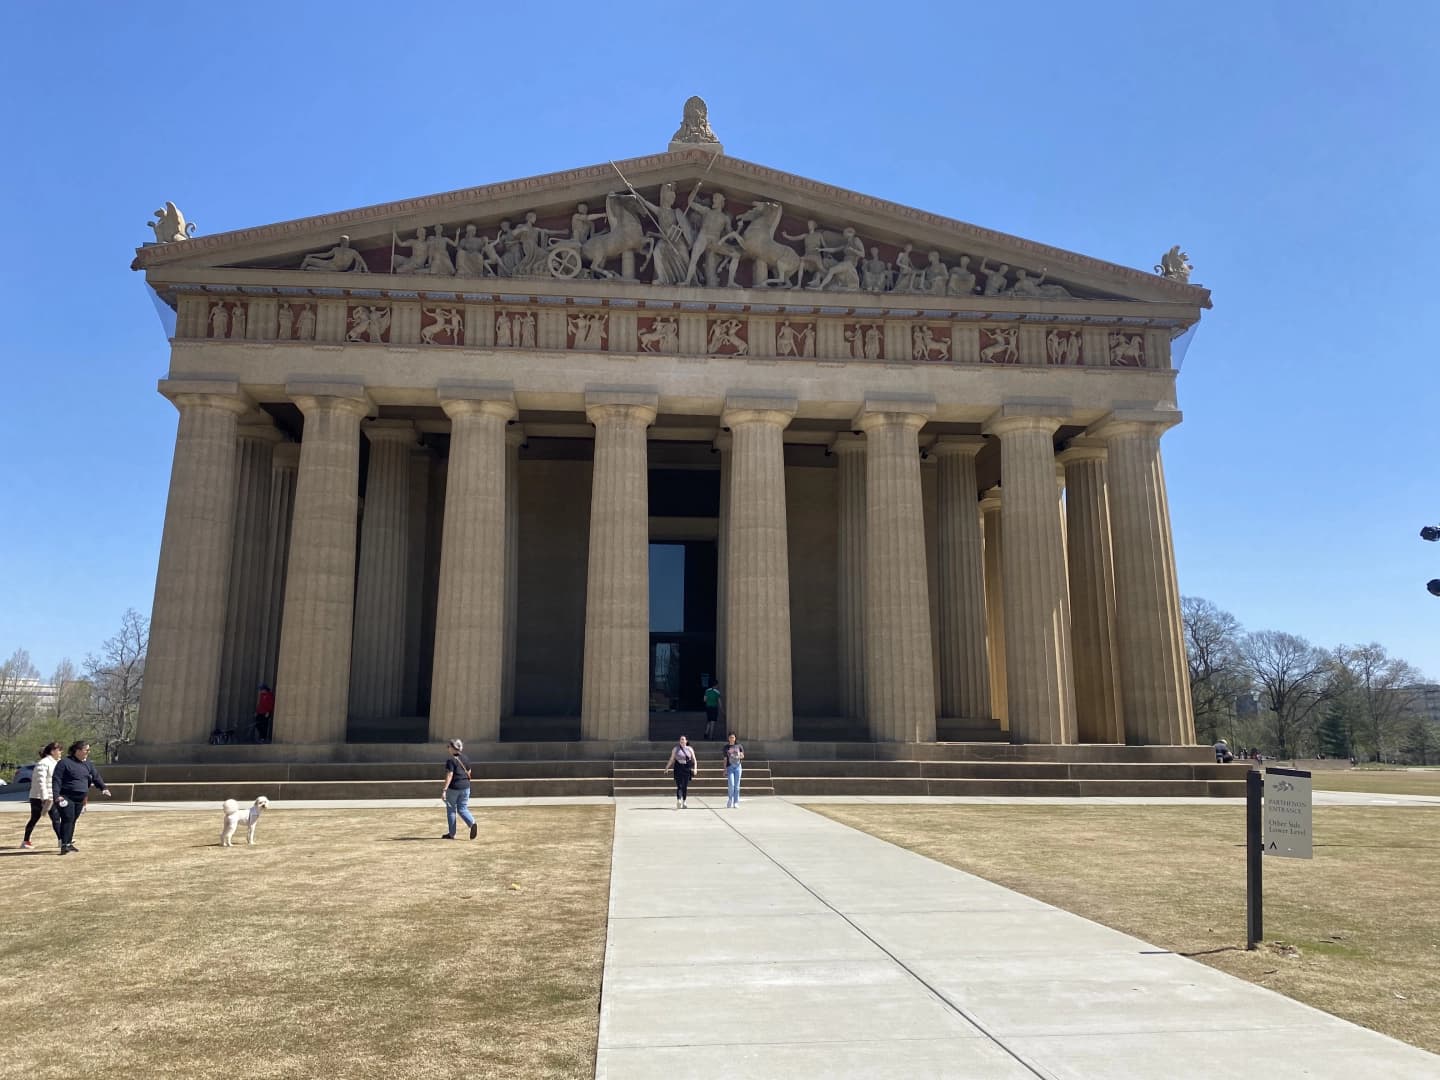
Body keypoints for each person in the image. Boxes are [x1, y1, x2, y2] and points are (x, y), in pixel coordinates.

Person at [50, 741, 111, 854]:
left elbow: (95, 777)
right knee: (67, 818)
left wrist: (103, 787)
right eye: (86, 750)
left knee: (73, 819)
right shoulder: (64, 763)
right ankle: (64, 845)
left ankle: (68, 843)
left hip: (80, 798)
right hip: (66, 796)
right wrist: (57, 795)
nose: (88, 752)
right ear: (77, 751)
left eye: (88, 750)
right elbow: (56, 780)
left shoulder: (88, 764)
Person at [22, 742, 63, 849]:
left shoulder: (56, 763)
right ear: (52, 751)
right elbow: (41, 781)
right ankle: (26, 841)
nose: (61, 752)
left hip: (51, 796)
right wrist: (44, 797)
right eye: (59, 750)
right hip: (38, 797)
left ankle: (62, 839)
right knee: (35, 818)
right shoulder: (43, 763)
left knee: (56, 818)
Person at [441, 738, 477, 840]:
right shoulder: (466, 758)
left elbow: (450, 775)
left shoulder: (450, 760)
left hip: (454, 788)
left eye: (449, 747)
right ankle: (472, 823)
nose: (448, 748)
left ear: (453, 748)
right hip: (465, 787)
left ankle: (452, 834)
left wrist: (444, 790)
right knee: (462, 808)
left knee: (451, 810)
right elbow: (469, 771)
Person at [665, 735, 698, 809]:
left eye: (683, 739)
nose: (682, 741)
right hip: (678, 767)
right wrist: (667, 767)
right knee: (679, 785)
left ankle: (684, 801)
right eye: (681, 739)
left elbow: (694, 760)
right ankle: (679, 799)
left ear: (686, 741)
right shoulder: (675, 749)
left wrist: (695, 769)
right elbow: (671, 759)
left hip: (686, 768)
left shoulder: (690, 749)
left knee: (685, 786)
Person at [722, 733, 745, 809]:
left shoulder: (739, 746)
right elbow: (725, 759)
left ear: (735, 738)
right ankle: (730, 799)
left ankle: (736, 802)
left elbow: (742, 755)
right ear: (728, 738)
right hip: (730, 767)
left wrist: (739, 756)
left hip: (738, 767)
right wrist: (725, 769)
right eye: (730, 737)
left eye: (733, 737)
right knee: (731, 784)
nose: (732, 739)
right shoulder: (726, 747)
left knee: (737, 786)